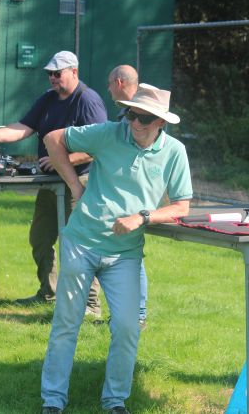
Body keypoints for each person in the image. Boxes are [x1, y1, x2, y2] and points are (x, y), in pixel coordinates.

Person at [40, 83, 192, 414]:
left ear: (161, 122)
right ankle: (52, 400)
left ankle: (115, 401)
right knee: (67, 323)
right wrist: (75, 186)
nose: (135, 123)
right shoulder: (108, 133)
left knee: (127, 326)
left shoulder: (174, 152)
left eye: (144, 118)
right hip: (81, 242)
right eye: (130, 114)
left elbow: (181, 206)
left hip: (125, 254)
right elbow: (53, 139)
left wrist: (143, 217)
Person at [0, 51, 106, 315]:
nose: (52, 78)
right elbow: (22, 128)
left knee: (79, 245)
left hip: (80, 182)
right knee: (40, 238)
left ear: (74, 72)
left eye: (57, 73)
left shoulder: (88, 100)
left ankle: (90, 305)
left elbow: (99, 145)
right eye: (49, 74)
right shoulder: (47, 98)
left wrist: (63, 160)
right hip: (50, 182)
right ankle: (48, 294)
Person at [107, 65, 149, 328]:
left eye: (110, 83)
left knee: (132, 254)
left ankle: (139, 314)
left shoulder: (144, 108)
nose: (108, 89)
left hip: (138, 192)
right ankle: (126, 313)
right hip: (122, 189)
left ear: (119, 82)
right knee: (124, 252)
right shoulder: (127, 111)